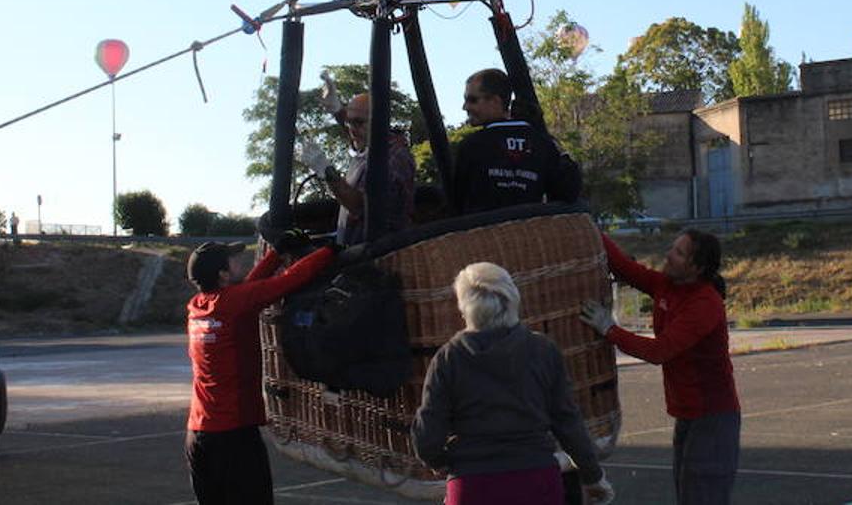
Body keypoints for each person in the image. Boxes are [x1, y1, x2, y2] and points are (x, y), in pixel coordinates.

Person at [411, 262, 612, 505]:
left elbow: (427, 438)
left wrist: (443, 461)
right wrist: (593, 476)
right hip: (536, 480)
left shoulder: (448, 358)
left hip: (472, 483)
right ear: (514, 300)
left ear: (464, 309)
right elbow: (568, 422)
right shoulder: (542, 350)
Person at [580, 229, 739, 505]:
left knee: (702, 497)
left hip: (712, 418)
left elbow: (659, 351)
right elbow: (625, 268)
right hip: (688, 414)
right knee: (688, 493)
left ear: (696, 268)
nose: (668, 254)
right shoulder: (667, 285)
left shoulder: (704, 304)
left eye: (678, 252)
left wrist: (610, 329)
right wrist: (588, 223)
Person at [184, 232, 335, 505]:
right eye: (232, 260)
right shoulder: (234, 303)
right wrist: (330, 251)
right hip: (233, 436)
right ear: (223, 275)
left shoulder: (198, 307)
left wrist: (276, 253)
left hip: (198, 434)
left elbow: (250, 288)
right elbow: (287, 282)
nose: (239, 261)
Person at [298, 73, 415, 245]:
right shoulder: (372, 144)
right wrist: (337, 110)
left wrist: (327, 171)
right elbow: (357, 130)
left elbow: (362, 207)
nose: (351, 129)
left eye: (358, 122)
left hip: (381, 257)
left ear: (380, 120)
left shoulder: (393, 159)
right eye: (349, 122)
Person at [452, 68, 581, 214]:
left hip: (483, 233)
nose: (465, 107)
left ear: (495, 101)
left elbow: (457, 200)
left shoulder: (471, 145)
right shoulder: (543, 144)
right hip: (531, 231)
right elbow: (568, 192)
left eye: (472, 100)